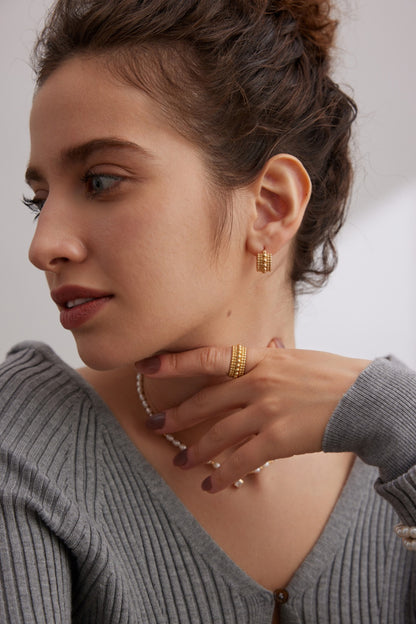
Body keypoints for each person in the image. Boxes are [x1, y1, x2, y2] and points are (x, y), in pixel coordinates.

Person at [1, 0, 416, 622]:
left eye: (101, 181)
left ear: (271, 207)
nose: (44, 247)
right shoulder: (27, 447)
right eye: (40, 201)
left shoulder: (395, 448)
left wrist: (401, 422)